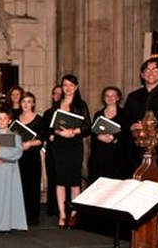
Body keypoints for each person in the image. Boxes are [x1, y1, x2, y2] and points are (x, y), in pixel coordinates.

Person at [123, 59, 158, 185]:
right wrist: (131, 126)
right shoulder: (133, 96)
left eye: (155, 70)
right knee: (136, 184)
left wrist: (153, 126)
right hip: (136, 150)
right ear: (142, 75)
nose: (150, 73)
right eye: (147, 70)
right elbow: (125, 119)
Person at [48, 75, 90, 228]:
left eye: (71, 85)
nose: (68, 87)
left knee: (73, 181)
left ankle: (73, 213)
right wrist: (59, 133)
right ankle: (62, 214)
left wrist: (74, 131)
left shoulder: (81, 105)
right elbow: (50, 126)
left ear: (76, 87)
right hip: (60, 145)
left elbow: (87, 126)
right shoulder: (56, 105)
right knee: (60, 180)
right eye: (65, 84)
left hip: (74, 144)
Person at [16, 92, 45, 225]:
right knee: (18, 186)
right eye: (24, 101)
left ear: (33, 104)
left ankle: (32, 216)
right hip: (17, 156)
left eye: (29, 101)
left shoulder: (39, 119)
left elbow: (41, 139)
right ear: (20, 103)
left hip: (32, 157)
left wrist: (28, 144)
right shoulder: (15, 119)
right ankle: (18, 215)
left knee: (32, 186)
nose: (26, 104)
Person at [89, 87, 126, 183]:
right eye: (107, 96)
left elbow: (126, 134)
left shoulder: (124, 114)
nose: (110, 98)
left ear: (118, 98)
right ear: (104, 98)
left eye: (113, 95)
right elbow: (93, 132)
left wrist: (114, 138)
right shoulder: (98, 114)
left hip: (117, 156)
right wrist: (97, 136)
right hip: (100, 155)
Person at [42, 85, 61, 217]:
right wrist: (49, 135)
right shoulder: (48, 113)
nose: (58, 96)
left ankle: (65, 207)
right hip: (52, 148)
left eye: (60, 94)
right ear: (52, 96)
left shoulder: (70, 110)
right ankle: (53, 208)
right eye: (55, 93)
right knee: (53, 177)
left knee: (65, 178)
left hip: (67, 148)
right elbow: (44, 130)